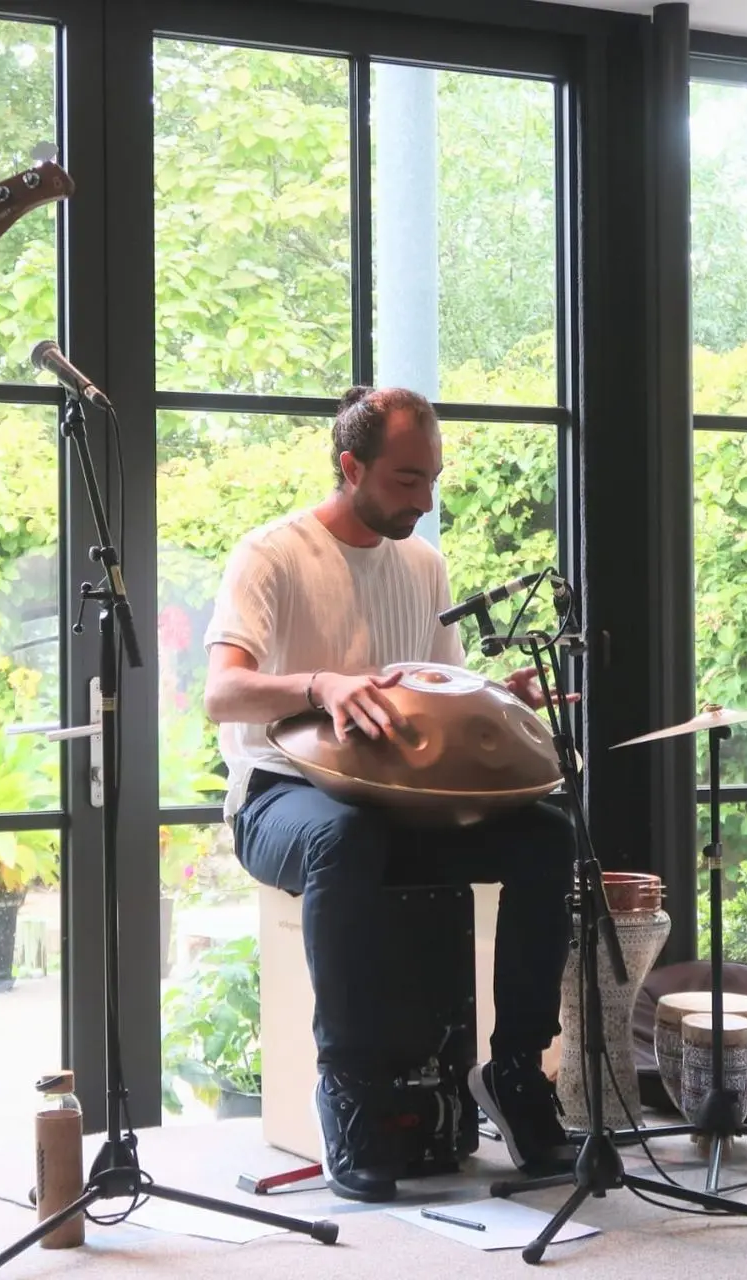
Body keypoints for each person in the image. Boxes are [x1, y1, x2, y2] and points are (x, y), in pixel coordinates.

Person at [203, 386, 577, 1202]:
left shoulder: (423, 565)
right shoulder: (270, 554)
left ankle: (515, 1072)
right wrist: (320, 685)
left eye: (432, 479)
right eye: (408, 481)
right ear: (351, 466)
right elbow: (221, 695)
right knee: (346, 836)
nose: (425, 500)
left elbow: (432, 696)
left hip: (404, 806)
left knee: (546, 835)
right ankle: (351, 1088)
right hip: (280, 799)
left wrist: (497, 697)